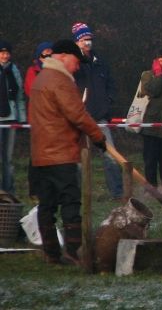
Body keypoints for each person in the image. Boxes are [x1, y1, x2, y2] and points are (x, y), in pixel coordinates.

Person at [29, 39, 106, 265]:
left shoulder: (41, 78)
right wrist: (98, 137)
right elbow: (77, 114)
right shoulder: (60, 81)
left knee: (47, 205)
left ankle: (51, 253)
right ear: (63, 57)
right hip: (61, 153)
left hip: (40, 154)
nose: (78, 66)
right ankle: (74, 251)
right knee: (71, 202)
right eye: (75, 61)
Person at [71, 22, 123, 200]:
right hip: (78, 119)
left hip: (99, 118)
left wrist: (107, 104)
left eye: (90, 39)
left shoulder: (100, 63)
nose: (88, 43)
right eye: (84, 39)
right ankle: (75, 194)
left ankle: (117, 193)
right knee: (77, 159)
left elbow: (111, 86)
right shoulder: (73, 63)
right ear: (77, 42)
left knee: (111, 156)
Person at [139, 50, 162, 196]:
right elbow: (153, 91)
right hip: (150, 124)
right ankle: (151, 189)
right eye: (161, 61)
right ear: (155, 61)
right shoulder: (147, 75)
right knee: (150, 160)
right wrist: (160, 75)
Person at [24, 41, 53, 199]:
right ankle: (34, 189)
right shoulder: (32, 71)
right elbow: (31, 90)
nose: (47, 56)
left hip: (51, 119)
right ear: (39, 55)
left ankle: (47, 187)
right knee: (36, 154)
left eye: (50, 53)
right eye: (44, 54)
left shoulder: (56, 71)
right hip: (37, 118)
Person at [0, 40, 26, 196]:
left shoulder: (14, 70)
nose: (5, 55)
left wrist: (22, 118)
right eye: (2, 52)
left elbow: (20, 96)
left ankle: (9, 190)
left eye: (7, 53)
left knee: (8, 159)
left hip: (11, 118)